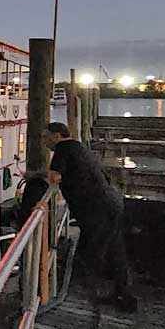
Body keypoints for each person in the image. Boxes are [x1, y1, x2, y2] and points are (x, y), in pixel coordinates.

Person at [42, 122, 136, 311]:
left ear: (58, 135)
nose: (44, 142)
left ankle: (108, 294)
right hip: (109, 202)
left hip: (97, 208)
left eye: (46, 137)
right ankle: (120, 293)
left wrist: (36, 175)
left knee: (97, 250)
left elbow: (54, 177)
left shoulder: (63, 148)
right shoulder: (78, 146)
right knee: (113, 248)